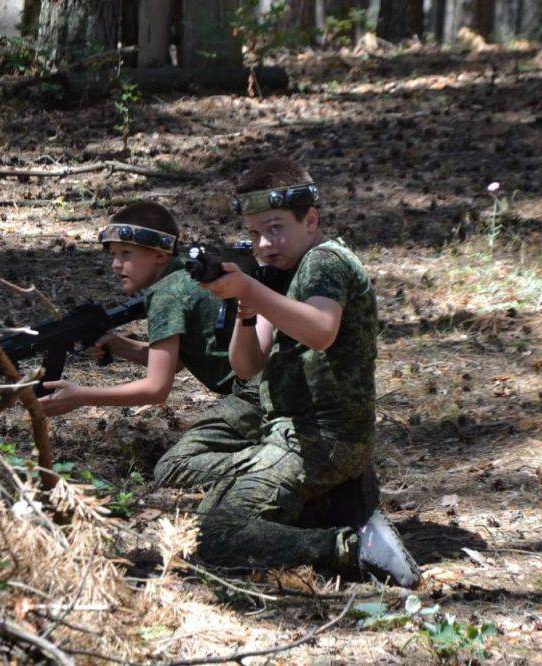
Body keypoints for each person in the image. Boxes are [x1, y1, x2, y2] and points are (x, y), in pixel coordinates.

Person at [178, 158, 421, 587]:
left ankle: (350, 547)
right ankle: (341, 508)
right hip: (306, 438)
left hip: (319, 439)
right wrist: (246, 310)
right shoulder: (282, 276)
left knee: (212, 533)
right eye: (254, 234)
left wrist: (250, 289)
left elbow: (322, 331)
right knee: (215, 495)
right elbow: (246, 365)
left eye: (275, 228)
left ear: (311, 220)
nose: (265, 243)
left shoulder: (325, 261)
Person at [38, 202, 263, 460]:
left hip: (255, 396)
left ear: (160, 255)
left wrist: (81, 396)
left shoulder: (166, 293)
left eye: (126, 254)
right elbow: (175, 362)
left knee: (175, 464)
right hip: (259, 386)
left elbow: (156, 388)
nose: (115, 264)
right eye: (113, 254)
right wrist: (119, 345)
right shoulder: (185, 278)